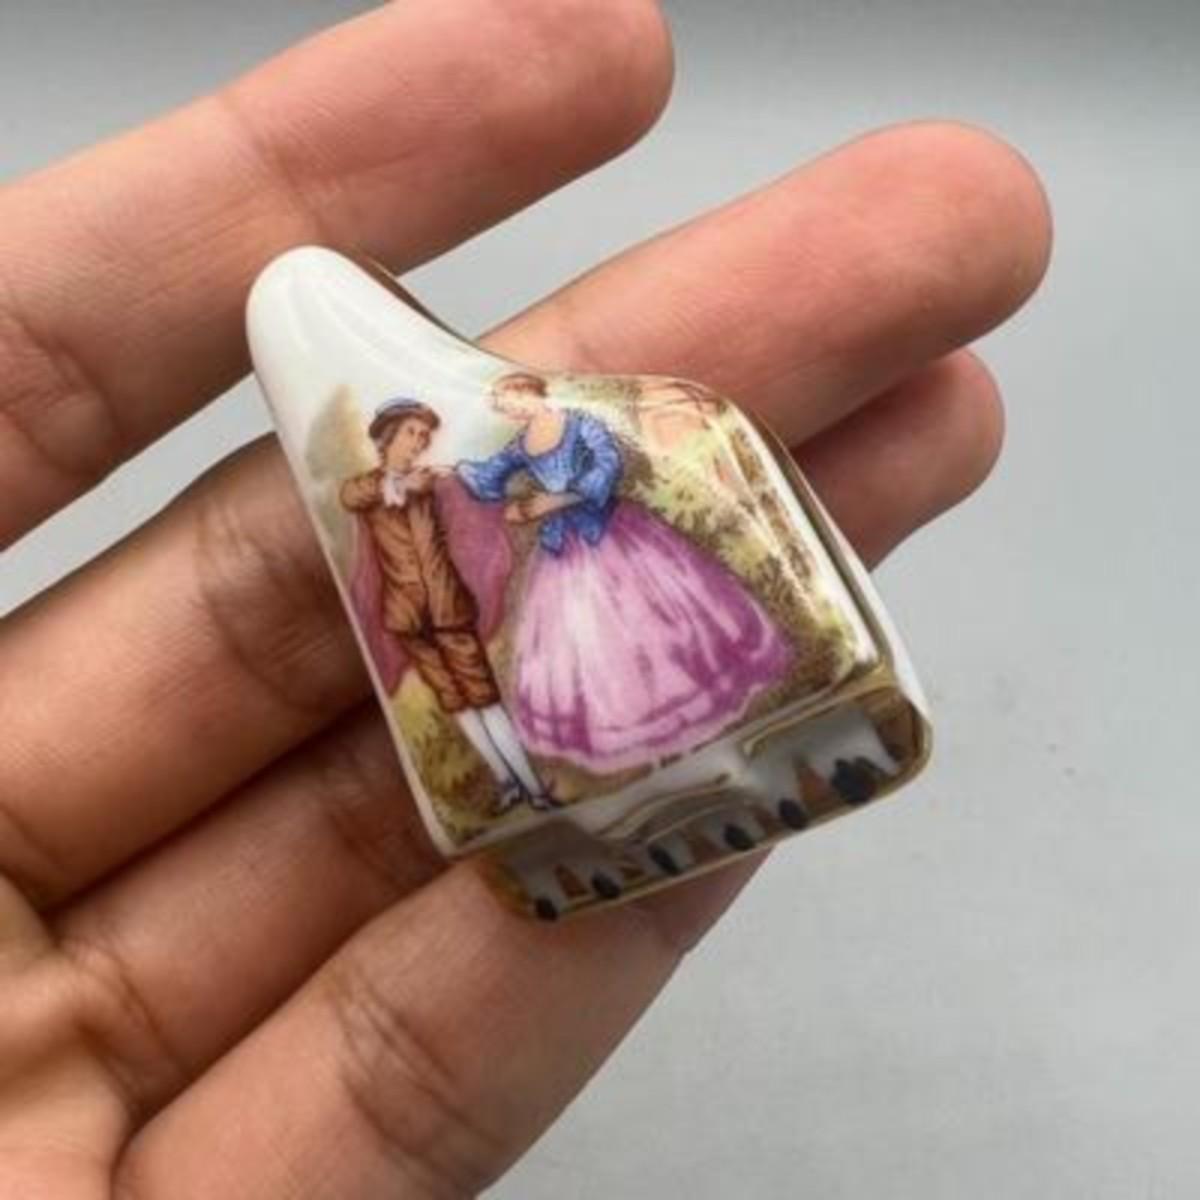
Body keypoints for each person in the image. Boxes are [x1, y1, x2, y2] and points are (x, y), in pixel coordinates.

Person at [0, 1, 1048, 1194]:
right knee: (568, 692)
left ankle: (725, 758)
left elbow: (572, 480)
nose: (487, 422)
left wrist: (545, 497)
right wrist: (468, 487)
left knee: (663, 660)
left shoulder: (584, 430)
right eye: (421, 435)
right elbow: (475, 484)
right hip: (524, 589)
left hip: (606, 554)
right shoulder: (436, 464)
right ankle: (612, 792)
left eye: (462, 424)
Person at [456, 372, 794, 774]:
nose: (508, 409)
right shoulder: (521, 444)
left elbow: (608, 464)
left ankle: (703, 719)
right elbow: (487, 476)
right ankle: (640, 735)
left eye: (510, 400)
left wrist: (556, 500)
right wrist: (470, 480)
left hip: (609, 528)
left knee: (652, 614)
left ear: (530, 392)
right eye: (502, 406)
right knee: (586, 637)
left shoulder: (579, 422)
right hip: (566, 546)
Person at [341, 397, 554, 813]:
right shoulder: (368, 487)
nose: (419, 442)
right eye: (411, 433)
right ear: (387, 437)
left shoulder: (428, 485)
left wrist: (431, 481)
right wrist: (399, 486)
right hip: (406, 615)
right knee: (452, 698)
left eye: (424, 436)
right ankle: (507, 780)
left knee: (483, 694)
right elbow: (352, 494)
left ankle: (535, 790)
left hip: (447, 607)